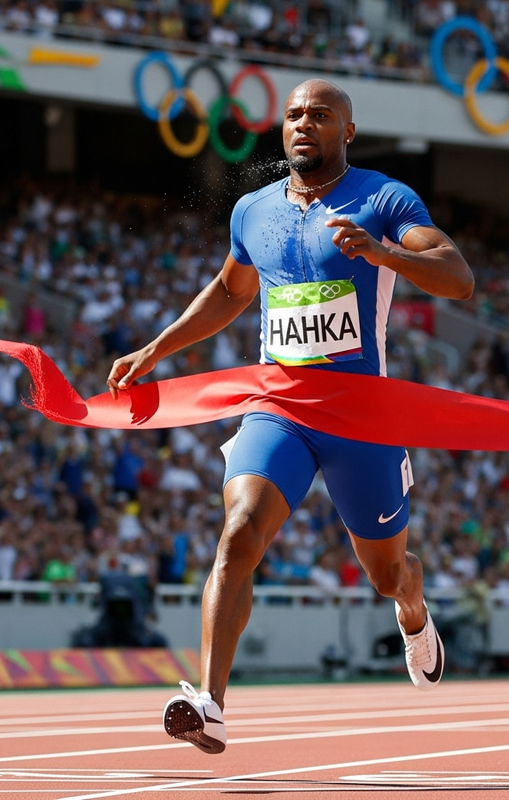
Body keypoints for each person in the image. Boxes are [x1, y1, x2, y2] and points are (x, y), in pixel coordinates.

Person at [106, 78, 475, 754]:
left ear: (348, 131)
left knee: (386, 573)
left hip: (363, 415)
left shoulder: (384, 199)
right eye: (296, 115)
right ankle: (209, 702)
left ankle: (414, 612)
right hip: (280, 407)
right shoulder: (252, 210)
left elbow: (457, 275)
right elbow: (229, 290)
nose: (306, 124)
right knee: (239, 532)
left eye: (322, 115)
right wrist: (158, 347)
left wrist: (384, 252)